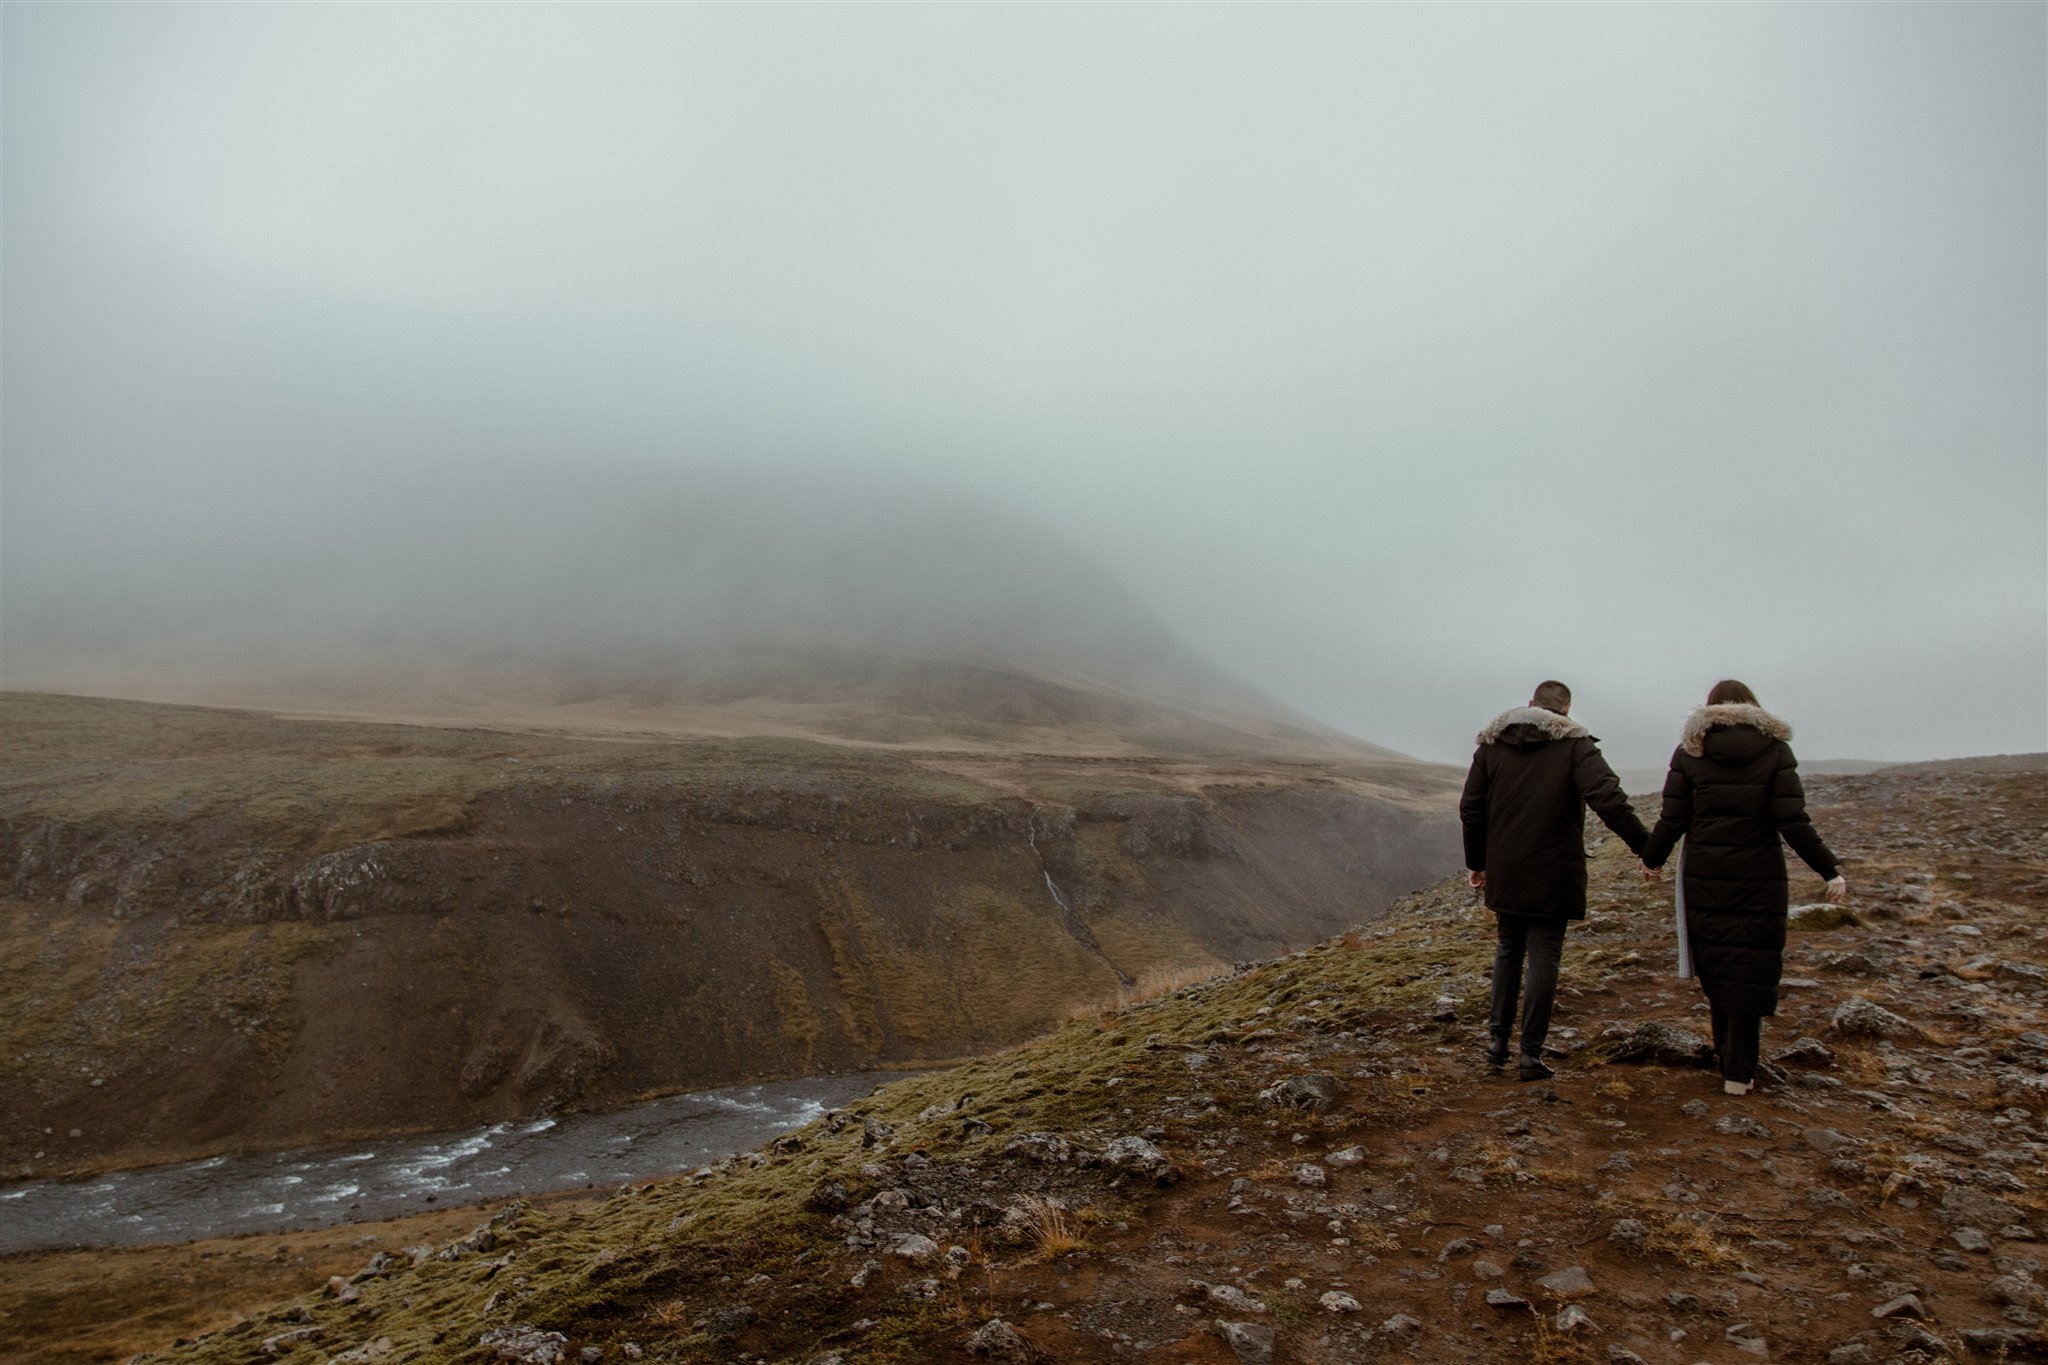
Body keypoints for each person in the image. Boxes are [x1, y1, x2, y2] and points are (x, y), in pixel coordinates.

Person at [1639, 680, 1847, 1096]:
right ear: (1752, 707)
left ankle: (1726, 1059)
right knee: (1749, 967)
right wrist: (1829, 870)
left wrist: (1652, 857)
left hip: (1705, 875)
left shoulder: (1690, 751)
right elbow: (1793, 821)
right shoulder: (1775, 751)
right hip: (1760, 876)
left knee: (1717, 963)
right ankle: (1739, 1071)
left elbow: (1673, 817)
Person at [1462, 680, 1649, 1081]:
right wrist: (1646, 848)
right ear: (1565, 710)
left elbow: (1471, 807)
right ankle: (1530, 1054)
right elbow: (1608, 799)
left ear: (1531, 705)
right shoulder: (1576, 746)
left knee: (1508, 949)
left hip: (1506, 868)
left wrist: (1477, 861)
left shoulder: (1493, 746)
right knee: (1544, 953)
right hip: (1553, 871)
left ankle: (1496, 1044)